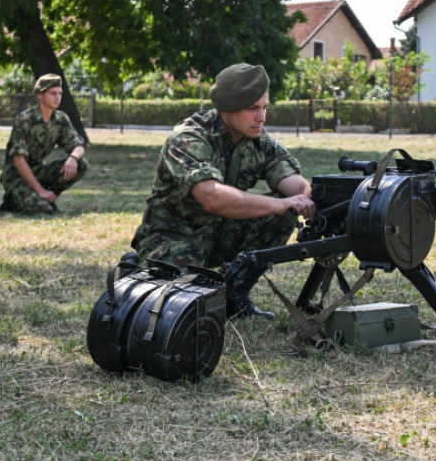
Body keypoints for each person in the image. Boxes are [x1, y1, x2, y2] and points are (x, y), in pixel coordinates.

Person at [130, 62, 316, 319]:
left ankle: (235, 297)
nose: (261, 117)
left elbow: (293, 183)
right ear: (227, 108)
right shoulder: (189, 138)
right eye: (252, 109)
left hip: (219, 234)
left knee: (285, 211)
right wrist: (279, 203)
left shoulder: (258, 141)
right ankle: (142, 269)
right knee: (180, 311)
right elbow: (212, 198)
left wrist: (315, 195)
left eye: (264, 108)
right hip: (174, 237)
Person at [0, 74, 87, 215]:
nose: (57, 97)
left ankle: (49, 198)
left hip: (38, 171)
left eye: (59, 93)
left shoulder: (60, 119)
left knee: (81, 164)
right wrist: (41, 191)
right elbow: (18, 160)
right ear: (40, 95)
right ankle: (12, 200)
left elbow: (79, 146)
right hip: (17, 177)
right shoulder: (25, 119)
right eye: (52, 93)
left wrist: (73, 158)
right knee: (43, 210)